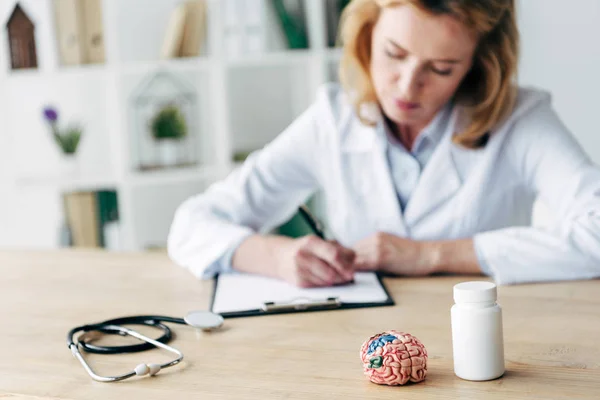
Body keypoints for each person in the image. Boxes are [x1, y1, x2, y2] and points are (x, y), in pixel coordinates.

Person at [167, 0, 600, 287]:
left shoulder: (520, 119)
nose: (408, 87)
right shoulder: (333, 120)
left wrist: (431, 255)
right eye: (393, 54)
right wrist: (278, 257)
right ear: (367, 35)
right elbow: (191, 225)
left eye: (443, 68)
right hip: (363, 347)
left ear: (478, 63)